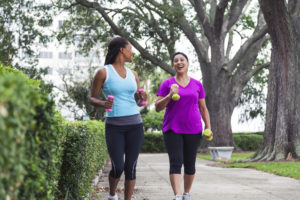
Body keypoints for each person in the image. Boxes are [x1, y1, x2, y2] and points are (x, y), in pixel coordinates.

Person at [89, 36, 147, 200]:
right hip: (114, 126)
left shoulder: (133, 74)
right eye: (130, 49)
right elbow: (91, 98)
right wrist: (103, 103)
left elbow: (138, 100)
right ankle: (112, 194)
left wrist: (144, 97)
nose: (132, 53)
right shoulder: (103, 72)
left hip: (135, 124)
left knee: (131, 167)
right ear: (122, 49)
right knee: (118, 167)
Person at [155, 52, 212, 200]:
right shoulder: (167, 84)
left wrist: (209, 127)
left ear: (187, 63)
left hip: (193, 128)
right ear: (173, 65)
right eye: (176, 61)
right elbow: (157, 107)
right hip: (172, 128)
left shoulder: (197, 84)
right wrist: (169, 95)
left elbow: (203, 108)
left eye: (182, 60)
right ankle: (177, 195)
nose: (179, 62)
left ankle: (187, 194)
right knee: (175, 162)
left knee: (190, 163)